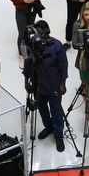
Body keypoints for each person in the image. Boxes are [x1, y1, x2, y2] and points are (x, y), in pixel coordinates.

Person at [25, 21, 68, 152]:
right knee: (42, 109)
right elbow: (27, 64)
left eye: (42, 31)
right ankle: (48, 127)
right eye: (37, 31)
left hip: (53, 83)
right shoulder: (30, 47)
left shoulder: (57, 44)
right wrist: (26, 82)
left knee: (56, 110)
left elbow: (63, 65)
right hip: (38, 85)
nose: (40, 34)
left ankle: (59, 135)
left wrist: (62, 84)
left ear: (48, 31)